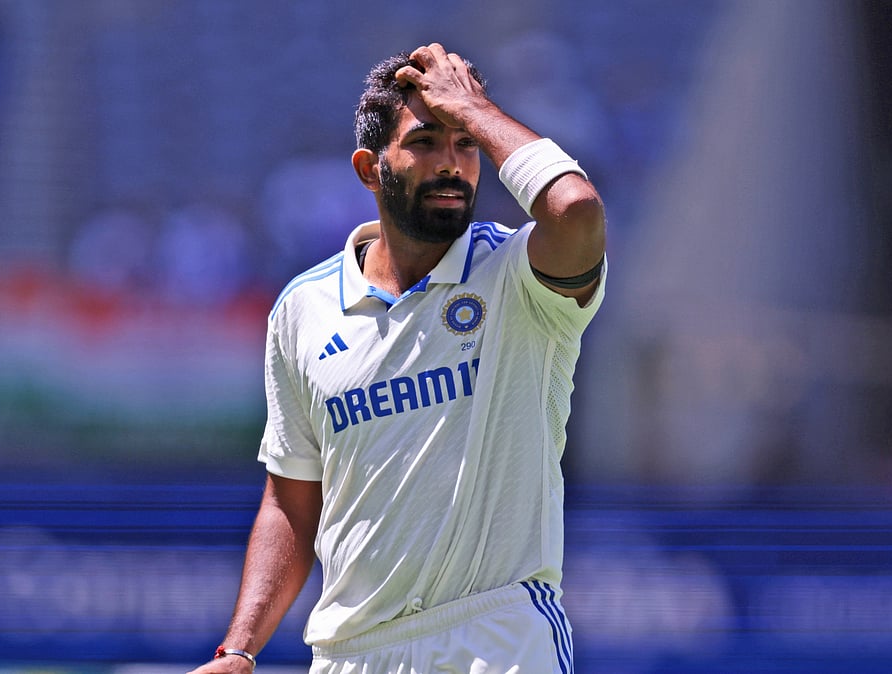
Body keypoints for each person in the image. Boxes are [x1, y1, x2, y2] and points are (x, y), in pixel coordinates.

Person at [191, 43, 606, 674]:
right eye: (425, 143)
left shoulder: (518, 275)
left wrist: (475, 109)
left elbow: (575, 209)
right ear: (368, 168)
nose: (451, 164)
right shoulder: (303, 309)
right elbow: (290, 503)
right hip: (350, 653)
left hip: (495, 639)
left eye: (465, 145)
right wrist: (240, 647)